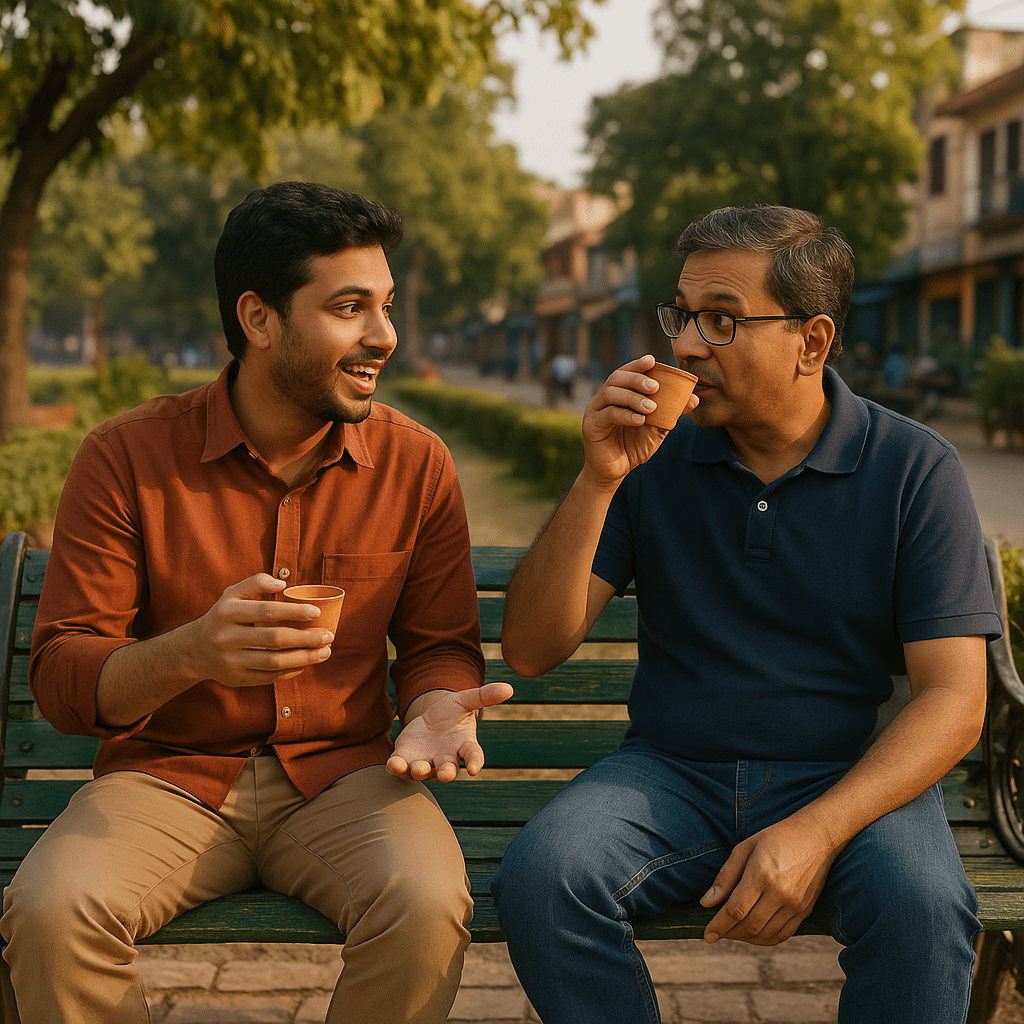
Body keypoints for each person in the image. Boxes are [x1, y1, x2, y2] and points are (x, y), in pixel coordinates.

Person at [1, 180, 513, 1024]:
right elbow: (62, 678)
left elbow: (439, 645)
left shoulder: (416, 464)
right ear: (259, 318)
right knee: (53, 914)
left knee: (424, 905)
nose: (384, 336)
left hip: (345, 778)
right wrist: (192, 652)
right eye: (349, 308)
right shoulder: (125, 458)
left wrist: (433, 705)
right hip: (166, 780)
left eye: (385, 306)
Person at [491, 204, 1001, 1024]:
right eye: (683, 316)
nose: (688, 346)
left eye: (723, 320)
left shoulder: (914, 468)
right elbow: (530, 650)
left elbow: (955, 699)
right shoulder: (650, 459)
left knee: (925, 911)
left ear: (812, 341)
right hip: (672, 771)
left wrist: (816, 832)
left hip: (850, 776)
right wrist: (598, 478)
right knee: (543, 877)